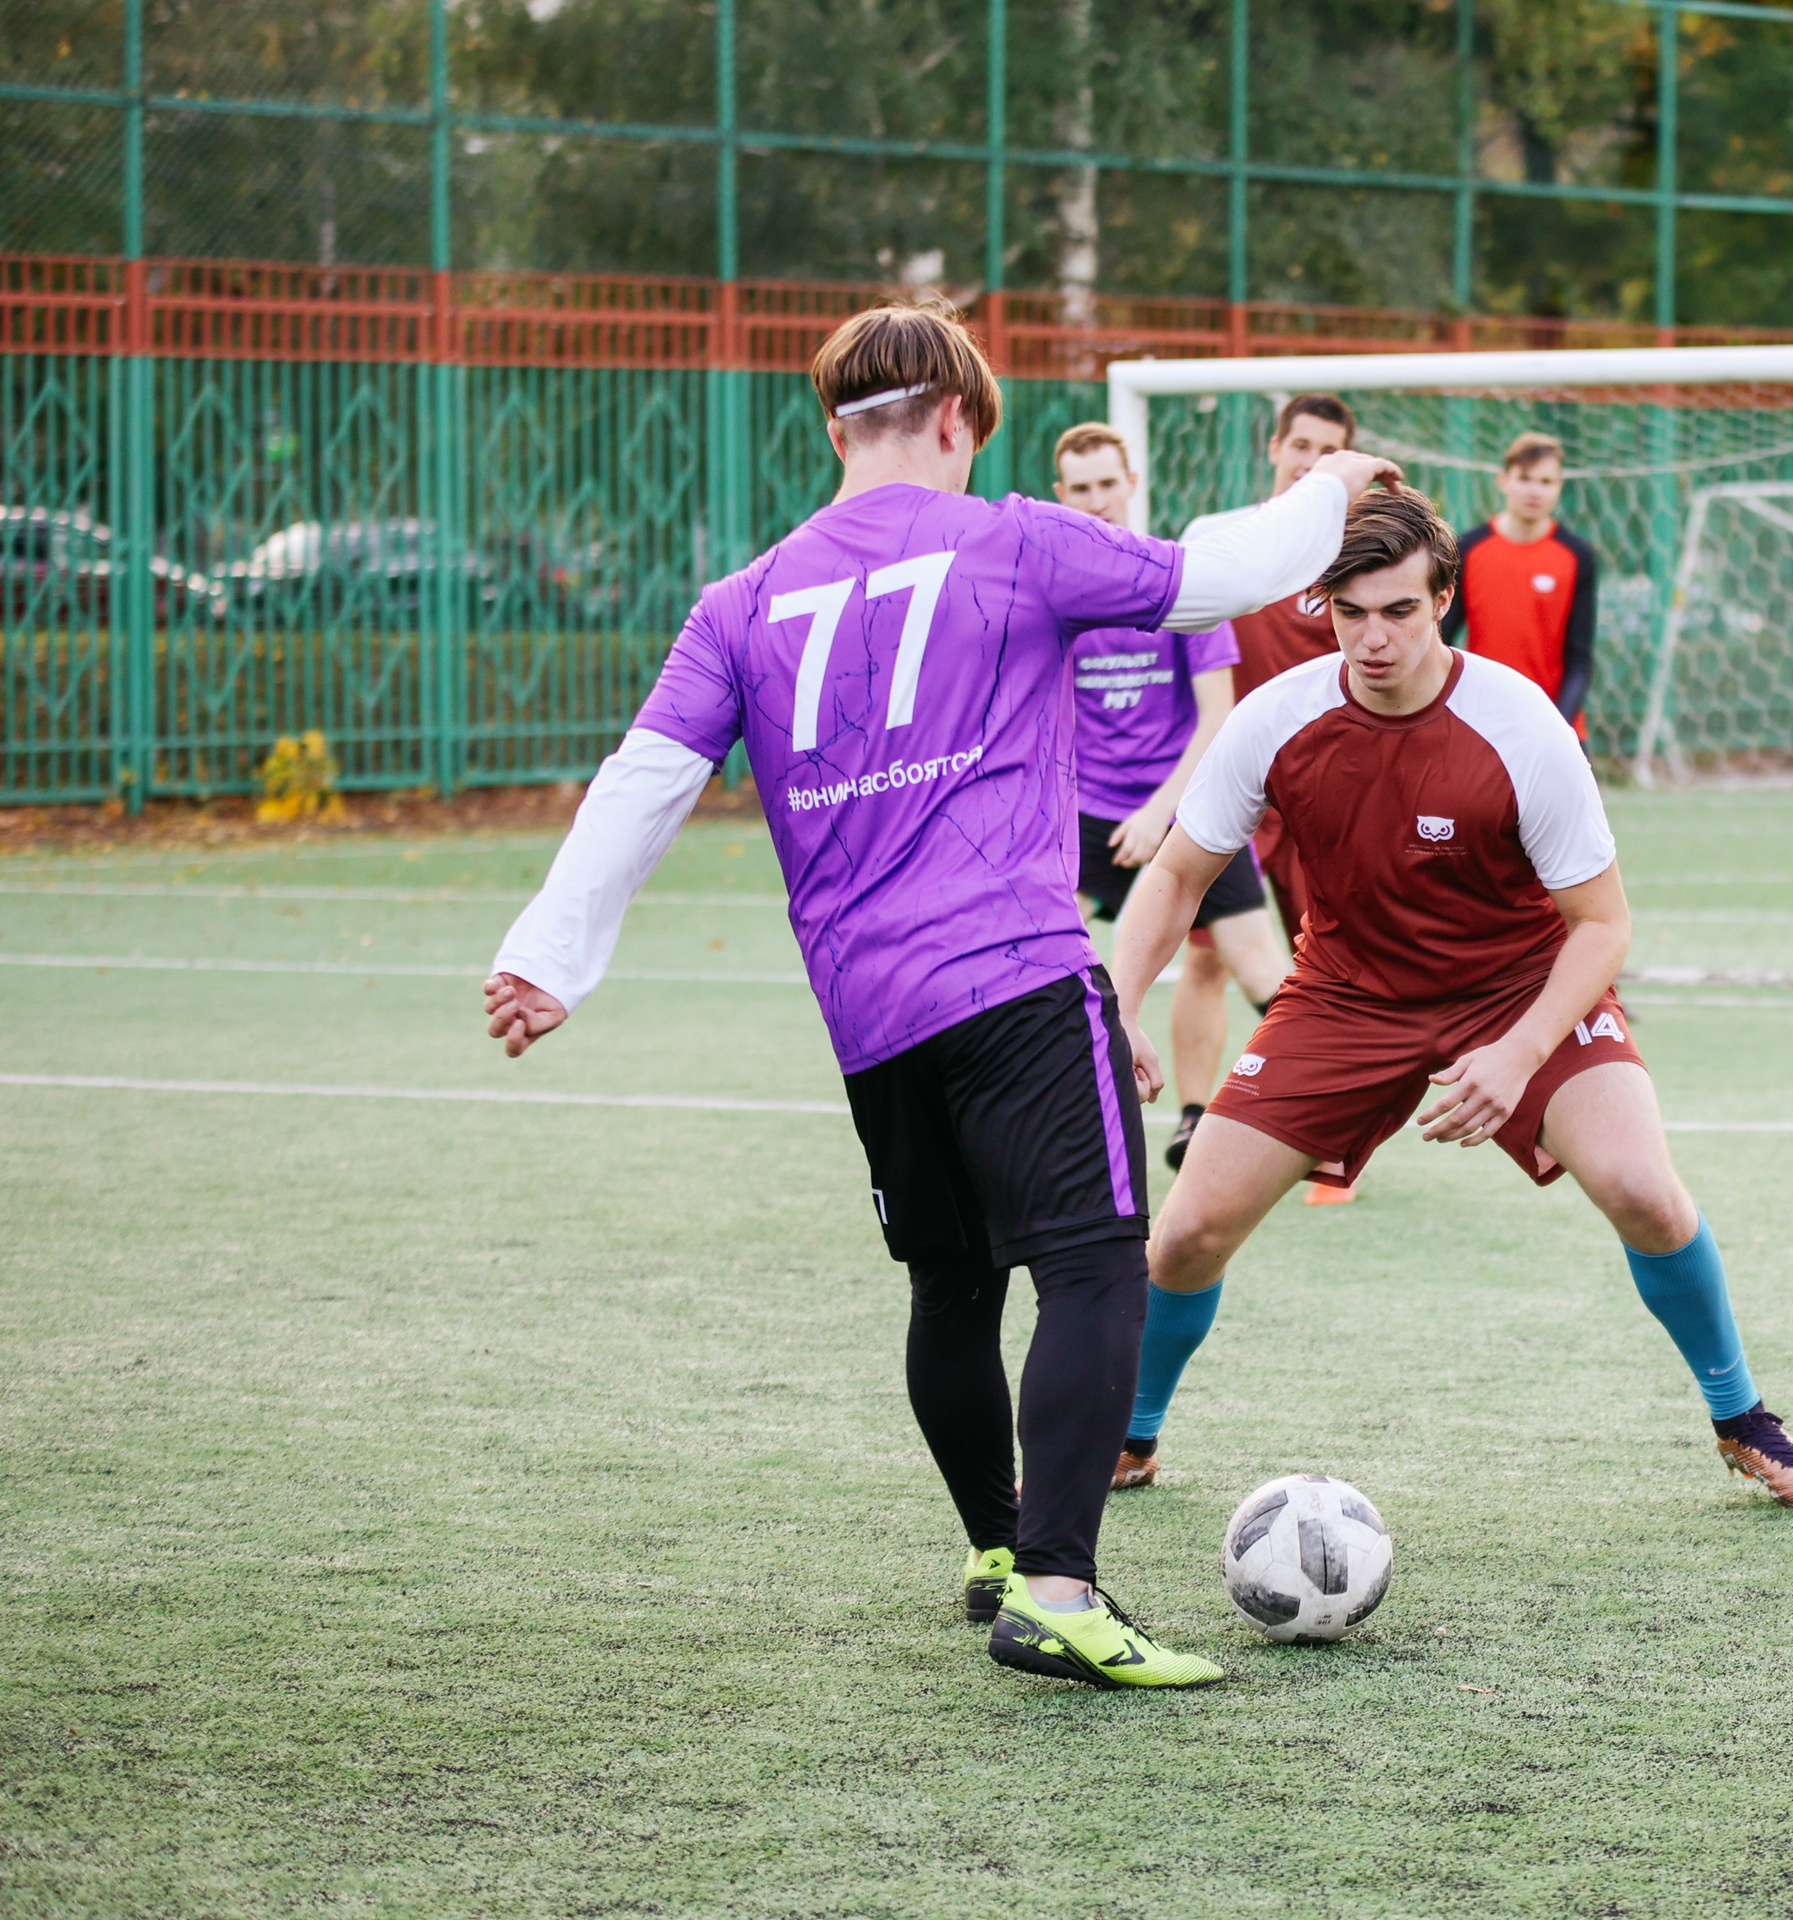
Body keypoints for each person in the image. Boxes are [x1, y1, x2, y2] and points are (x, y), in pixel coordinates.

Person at [478, 298, 1401, 1690]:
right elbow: (1214, 574)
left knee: (953, 1284)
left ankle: (995, 1545)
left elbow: (644, 780)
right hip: (1019, 978)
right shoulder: (1012, 538)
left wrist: (548, 956)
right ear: (963, 419)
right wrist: (1329, 489)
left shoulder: (742, 600)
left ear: (834, 428)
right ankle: (1060, 1587)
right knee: (1095, 1268)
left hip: (870, 1014)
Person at [1099, 489, 1793, 1510]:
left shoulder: (1518, 723)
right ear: (1323, 607)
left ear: (1442, 600)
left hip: (1520, 983)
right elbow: (1178, 875)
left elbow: (1603, 925)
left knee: (1640, 1188)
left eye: (1398, 610)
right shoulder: (1280, 718)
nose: (1373, 638)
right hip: (1345, 997)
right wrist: (1121, 1002)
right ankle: (1130, 1432)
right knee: (1185, 1234)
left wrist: (1521, 1050)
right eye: (1350, 612)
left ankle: (1740, 1415)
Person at [1051, 419, 1289, 1202]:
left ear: (1132, 486)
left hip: (1187, 806)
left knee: (1255, 968)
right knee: (1053, 971)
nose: (1096, 501)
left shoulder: (1178, 582)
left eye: (1106, 485)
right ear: (1063, 497)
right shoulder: (1056, 597)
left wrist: (1161, 810)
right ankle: (1074, 1131)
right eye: (1079, 489)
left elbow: (1217, 714)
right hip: (1086, 816)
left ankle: (1318, 1116)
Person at [1181, 391, 1366, 1207]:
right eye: (1299, 444)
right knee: (1207, 953)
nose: (1308, 461)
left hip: (1327, 796)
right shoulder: (1224, 543)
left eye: (1328, 451)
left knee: (1329, 963)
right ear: (1273, 447)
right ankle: (1196, 1117)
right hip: (1234, 790)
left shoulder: (1360, 558)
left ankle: (1336, 1140)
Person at [1447, 431, 1600, 737]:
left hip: (1556, 726)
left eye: (1546, 482)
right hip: (1483, 725)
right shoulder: (1468, 549)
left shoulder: (1577, 556)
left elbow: (1579, 660)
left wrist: (1557, 726)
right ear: (1504, 480)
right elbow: (1442, 639)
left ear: (1559, 487)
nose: (1535, 491)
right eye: (1525, 478)